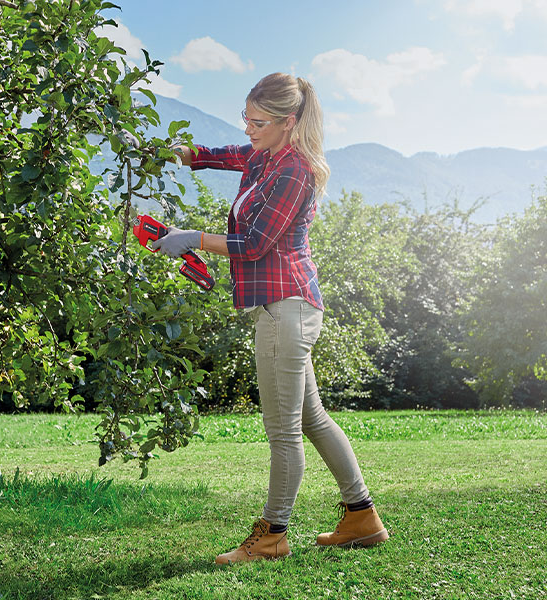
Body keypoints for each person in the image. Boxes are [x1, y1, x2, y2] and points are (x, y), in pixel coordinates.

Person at [152, 73, 388, 564]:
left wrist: (192, 237)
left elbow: (255, 245)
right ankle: (361, 518)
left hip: (287, 309)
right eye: (246, 118)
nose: (248, 128)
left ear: (289, 122)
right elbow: (219, 154)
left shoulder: (293, 171)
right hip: (287, 307)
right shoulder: (263, 155)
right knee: (313, 419)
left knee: (283, 432)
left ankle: (272, 534)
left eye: (258, 121)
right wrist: (165, 151)